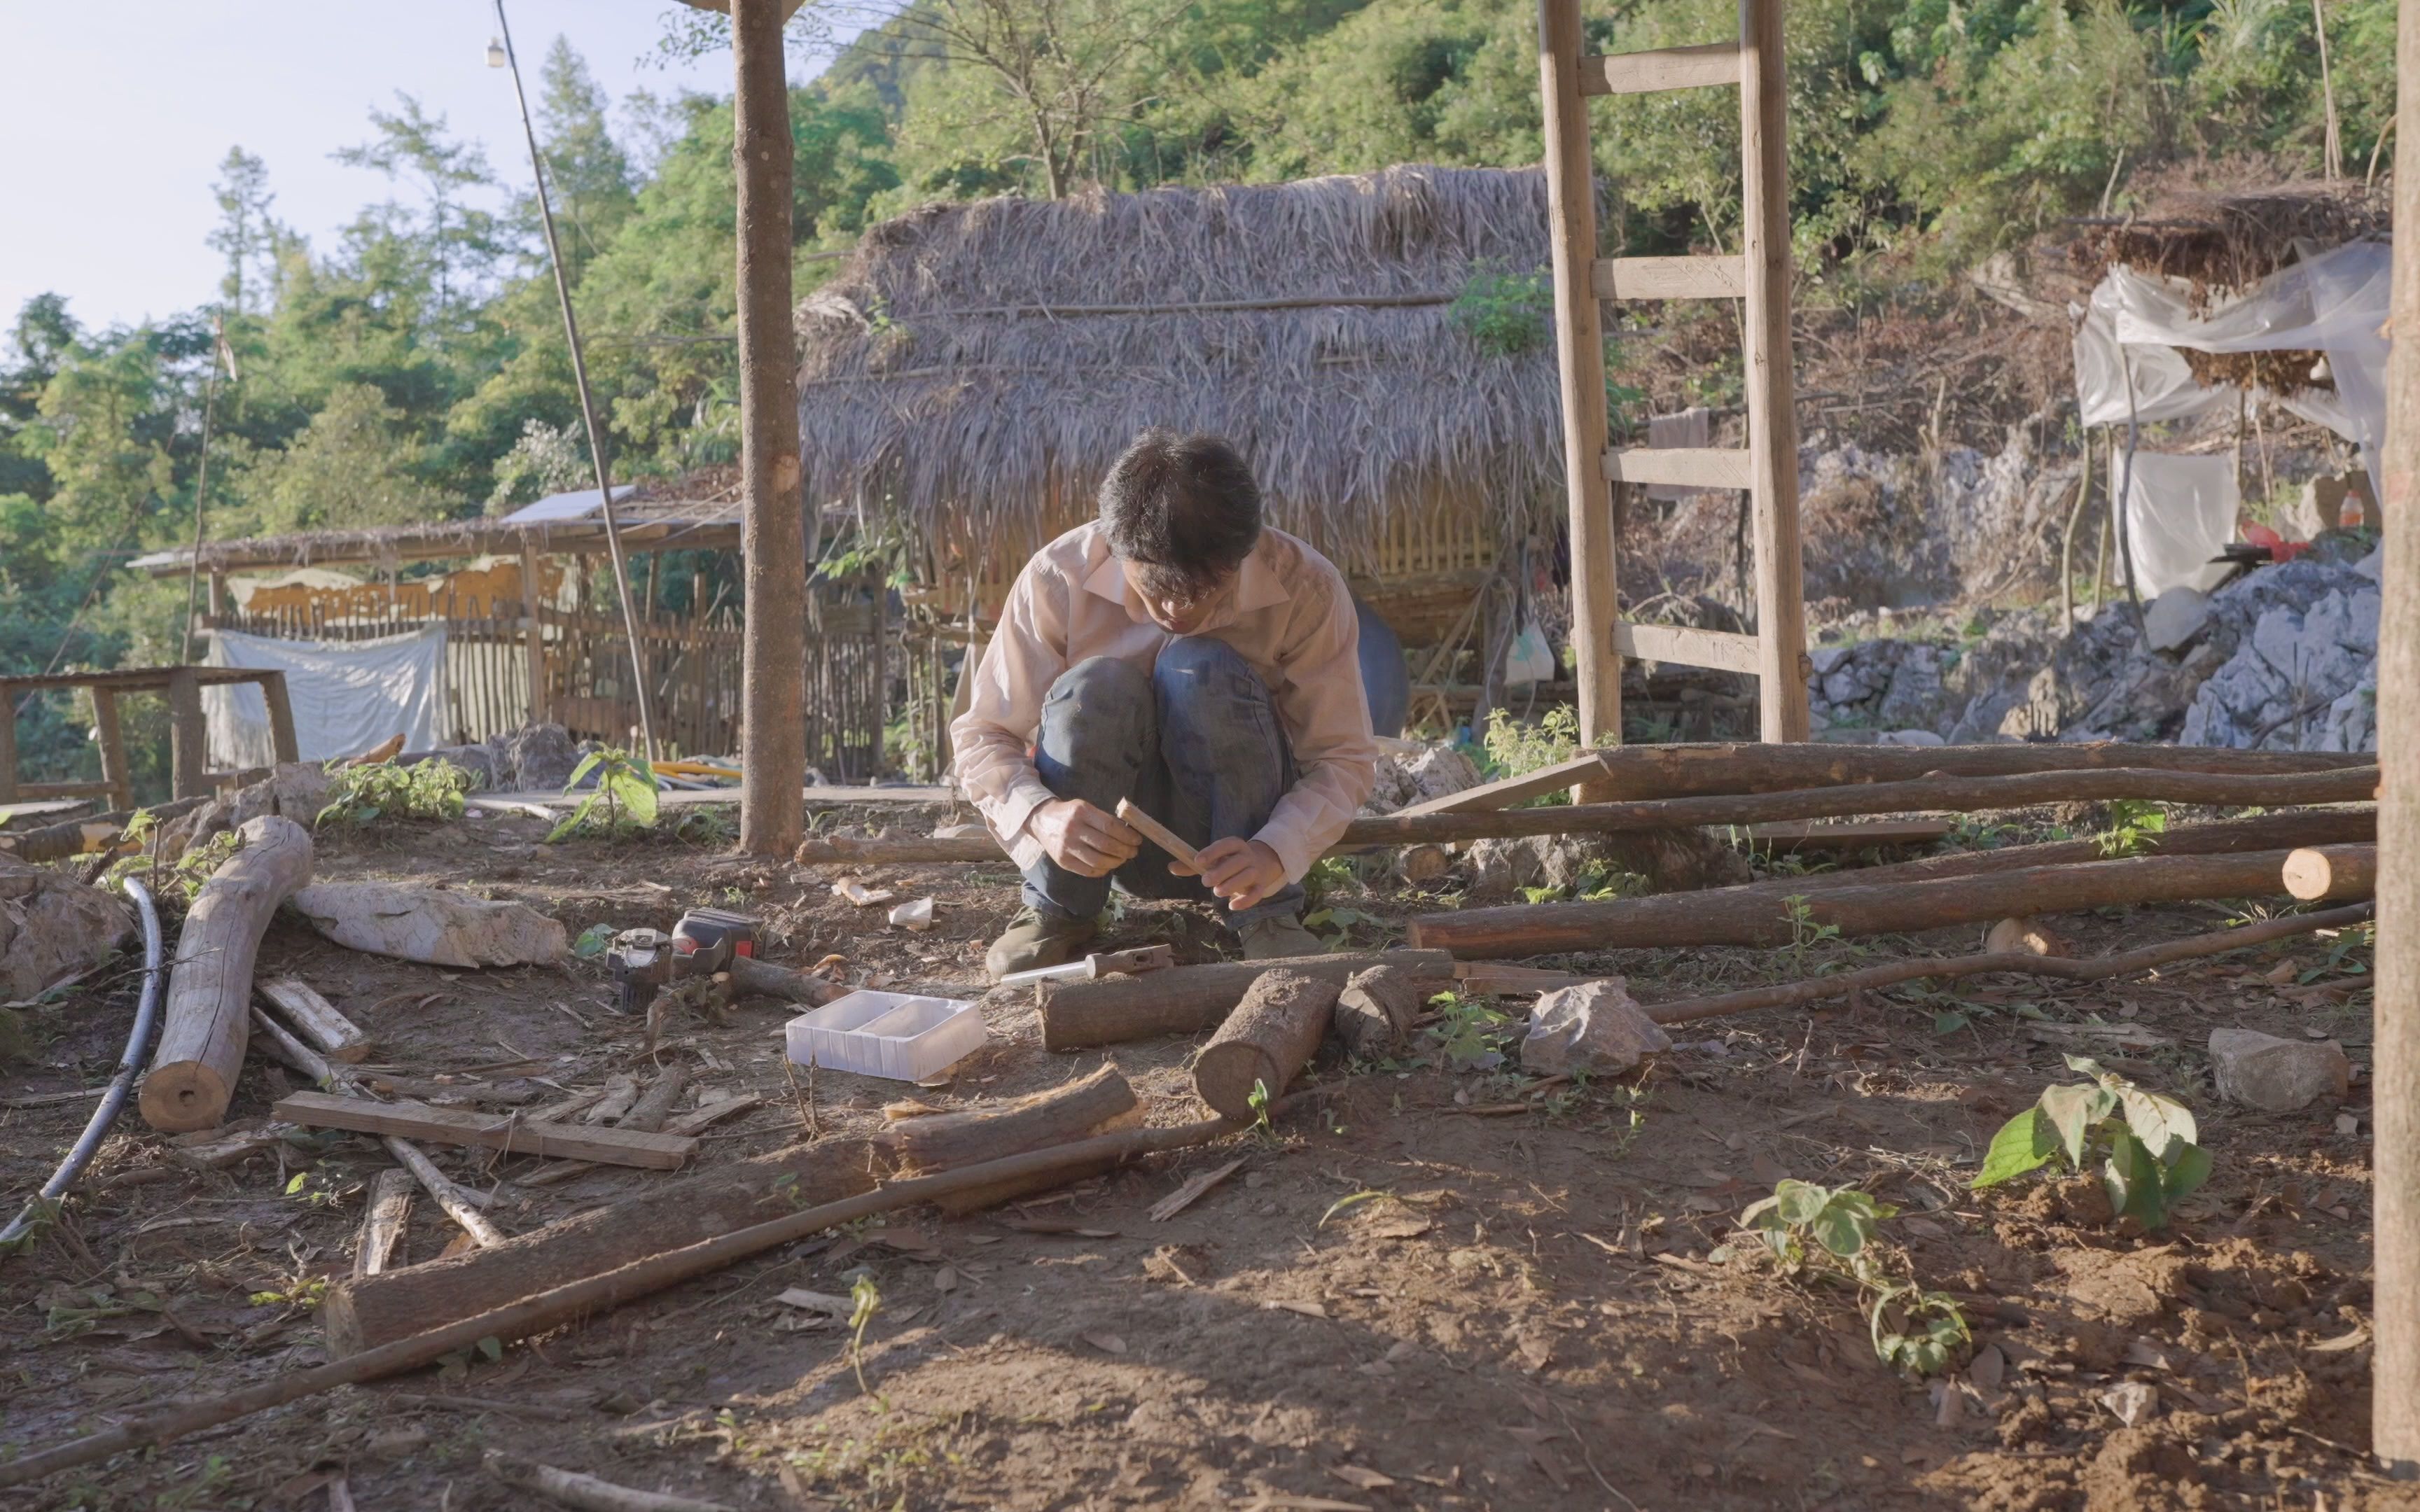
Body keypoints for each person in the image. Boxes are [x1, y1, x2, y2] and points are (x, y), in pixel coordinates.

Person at [952, 430, 1382, 982]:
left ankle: (1265, 916)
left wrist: (1276, 852)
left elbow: (1343, 757)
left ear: (1246, 549)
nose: (1179, 607)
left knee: (1201, 667)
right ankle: (1060, 908)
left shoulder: (1307, 588)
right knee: (1097, 689)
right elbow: (983, 732)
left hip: (1242, 850)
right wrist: (1041, 816)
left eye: (1207, 590)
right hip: (1103, 847)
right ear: (1114, 543)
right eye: (1157, 589)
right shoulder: (1059, 576)